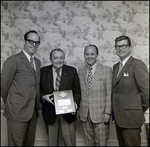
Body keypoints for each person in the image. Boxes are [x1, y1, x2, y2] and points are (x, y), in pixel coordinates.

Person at [1, 30, 41, 146]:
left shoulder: (37, 62)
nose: (34, 45)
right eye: (31, 41)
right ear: (24, 42)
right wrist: (12, 103)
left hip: (32, 112)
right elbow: (3, 86)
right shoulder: (13, 60)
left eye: (37, 43)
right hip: (17, 112)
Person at [112, 35, 149, 146]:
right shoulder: (115, 67)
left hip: (131, 118)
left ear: (130, 47)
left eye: (123, 46)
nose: (120, 49)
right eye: (117, 46)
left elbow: (147, 91)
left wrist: (139, 108)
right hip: (119, 117)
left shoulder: (137, 64)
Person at [40, 48, 81, 146]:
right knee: (52, 142)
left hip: (68, 112)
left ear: (64, 58)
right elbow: (37, 90)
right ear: (50, 59)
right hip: (50, 112)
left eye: (61, 58)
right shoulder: (43, 71)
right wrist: (43, 97)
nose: (59, 60)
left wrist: (75, 103)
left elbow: (77, 90)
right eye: (55, 58)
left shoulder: (71, 71)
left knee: (69, 142)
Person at [78, 44, 112, 146]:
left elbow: (109, 93)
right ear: (84, 55)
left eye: (92, 54)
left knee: (101, 143)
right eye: (87, 54)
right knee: (89, 143)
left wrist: (108, 112)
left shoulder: (107, 70)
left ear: (97, 55)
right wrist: (79, 110)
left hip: (101, 114)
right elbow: (79, 92)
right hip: (85, 114)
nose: (89, 56)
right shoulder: (80, 72)